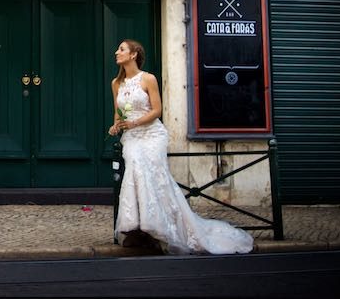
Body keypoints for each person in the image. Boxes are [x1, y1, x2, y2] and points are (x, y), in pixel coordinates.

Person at [107, 39, 253, 255]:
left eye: (121, 49)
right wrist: (116, 125)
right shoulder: (116, 83)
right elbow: (118, 113)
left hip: (152, 134)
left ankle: (157, 227)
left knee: (153, 174)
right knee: (135, 166)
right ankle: (135, 227)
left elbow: (157, 110)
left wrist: (136, 122)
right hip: (131, 137)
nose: (116, 52)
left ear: (133, 54)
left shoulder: (148, 79)